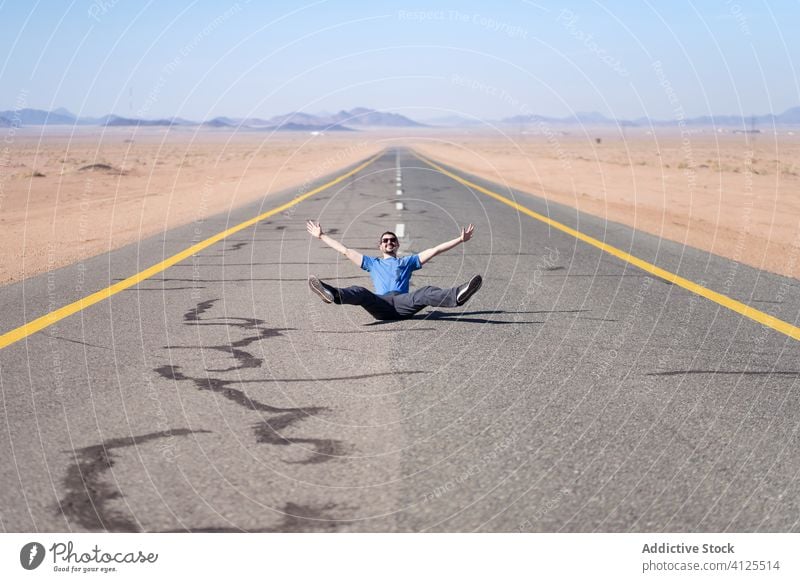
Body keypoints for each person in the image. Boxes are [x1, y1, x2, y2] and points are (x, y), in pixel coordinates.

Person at [305, 220, 482, 320]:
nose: (389, 242)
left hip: (404, 302)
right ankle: (331, 293)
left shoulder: (408, 261)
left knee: (425, 292)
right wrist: (321, 236)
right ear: (380, 246)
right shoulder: (372, 263)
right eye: (385, 241)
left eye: (392, 240)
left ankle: (458, 295)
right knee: (359, 291)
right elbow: (345, 250)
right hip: (381, 304)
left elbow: (435, 250)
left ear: (397, 244)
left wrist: (460, 240)